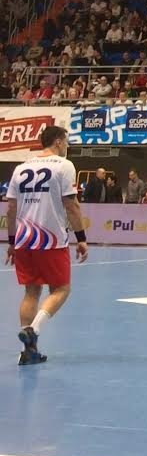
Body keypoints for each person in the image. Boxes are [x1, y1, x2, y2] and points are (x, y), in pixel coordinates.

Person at [4, 125, 88, 365]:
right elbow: (71, 205)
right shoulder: (64, 165)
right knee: (61, 289)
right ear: (58, 141)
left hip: (24, 239)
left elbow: (11, 209)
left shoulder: (20, 168)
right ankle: (34, 329)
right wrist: (81, 238)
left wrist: (12, 242)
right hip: (51, 239)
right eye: (67, 141)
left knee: (31, 291)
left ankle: (28, 351)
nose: (67, 146)